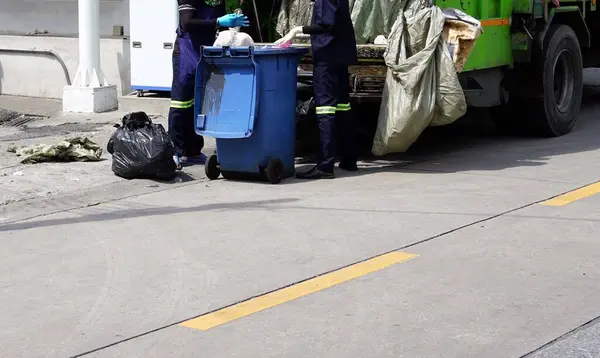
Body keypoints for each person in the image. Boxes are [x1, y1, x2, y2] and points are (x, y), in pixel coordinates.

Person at [275, 0, 358, 180]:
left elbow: (326, 25)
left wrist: (298, 31)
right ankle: (349, 158)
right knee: (343, 106)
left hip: (328, 57)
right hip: (340, 55)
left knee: (325, 109)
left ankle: (325, 165)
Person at [170, 0, 249, 169]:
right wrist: (219, 22)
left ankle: (192, 150)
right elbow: (187, 23)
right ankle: (175, 151)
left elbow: (214, 23)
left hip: (207, 50)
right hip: (186, 52)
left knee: (201, 103)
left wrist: (231, 26)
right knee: (181, 102)